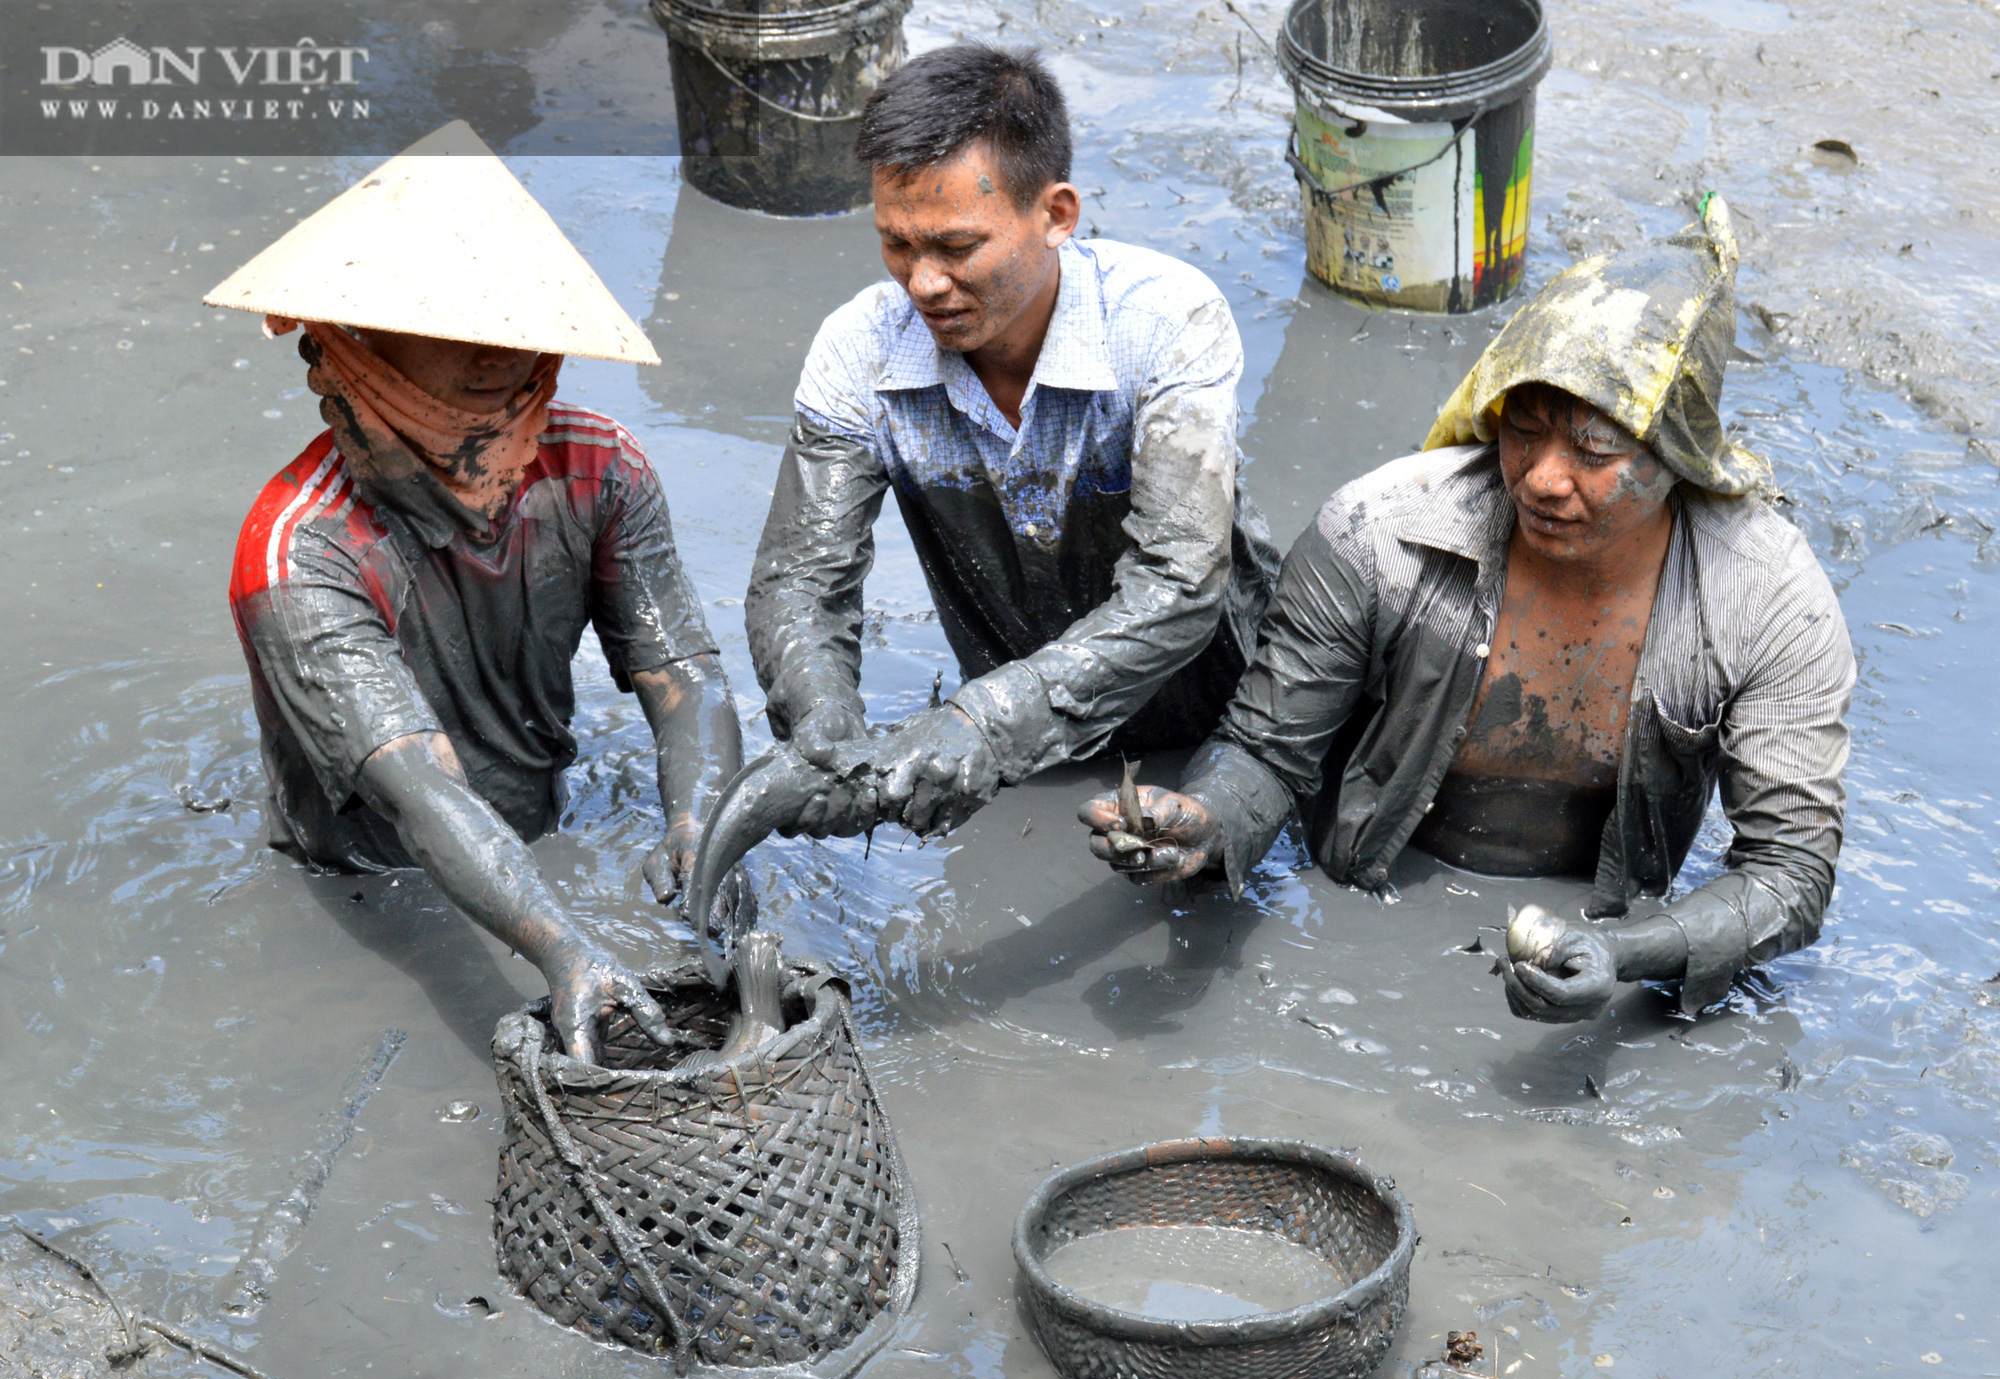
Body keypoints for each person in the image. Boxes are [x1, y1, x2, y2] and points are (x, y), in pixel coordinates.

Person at [1080, 199, 1855, 1023]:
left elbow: (1788, 876)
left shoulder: (1766, 600)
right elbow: (1268, 750)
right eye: (1523, 433)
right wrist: (1206, 824)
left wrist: (1626, 954)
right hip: (1369, 893)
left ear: (1679, 459)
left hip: (1601, 924)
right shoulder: (1379, 532)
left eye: (1595, 450)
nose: (1544, 480)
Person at [207, 122, 745, 1063]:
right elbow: (419, 795)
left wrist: (701, 815)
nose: (496, 350)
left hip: (536, 825)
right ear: (354, 344)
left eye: (510, 326)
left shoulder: (599, 469)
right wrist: (564, 946)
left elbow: (685, 677)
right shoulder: (299, 552)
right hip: (374, 878)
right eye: (456, 329)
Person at [742, 44, 1279, 840]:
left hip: (1222, 722)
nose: (922, 281)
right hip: (1008, 749)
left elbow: (1179, 583)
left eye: (957, 247)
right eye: (898, 243)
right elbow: (800, 585)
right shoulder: (860, 348)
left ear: (1056, 215)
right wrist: (825, 727)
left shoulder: (1165, 323)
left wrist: (988, 723)